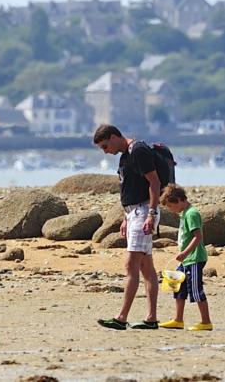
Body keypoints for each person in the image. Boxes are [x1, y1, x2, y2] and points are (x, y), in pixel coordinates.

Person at [93, 124, 162, 330]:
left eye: (106, 146)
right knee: (146, 267)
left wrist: (151, 213)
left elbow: (154, 183)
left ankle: (122, 317)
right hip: (134, 212)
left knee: (131, 265)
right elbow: (130, 188)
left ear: (114, 137)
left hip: (143, 211)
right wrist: (125, 217)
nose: (106, 151)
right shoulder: (125, 155)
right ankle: (151, 319)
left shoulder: (138, 150)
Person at [157, 184, 212, 331]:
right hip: (187, 259)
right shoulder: (185, 213)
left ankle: (206, 322)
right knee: (178, 286)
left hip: (194, 258)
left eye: (170, 206)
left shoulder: (192, 214)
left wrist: (185, 253)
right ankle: (178, 320)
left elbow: (198, 237)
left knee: (195, 289)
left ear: (179, 200)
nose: (170, 209)